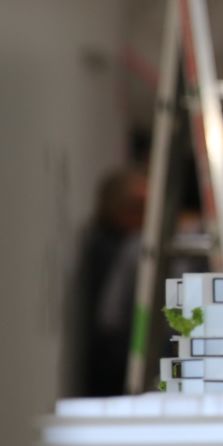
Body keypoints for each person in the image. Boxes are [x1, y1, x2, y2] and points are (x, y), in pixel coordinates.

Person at [75, 165, 147, 397]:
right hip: (114, 369)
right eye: (140, 208)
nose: (147, 217)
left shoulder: (115, 244)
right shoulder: (113, 249)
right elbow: (110, 320)